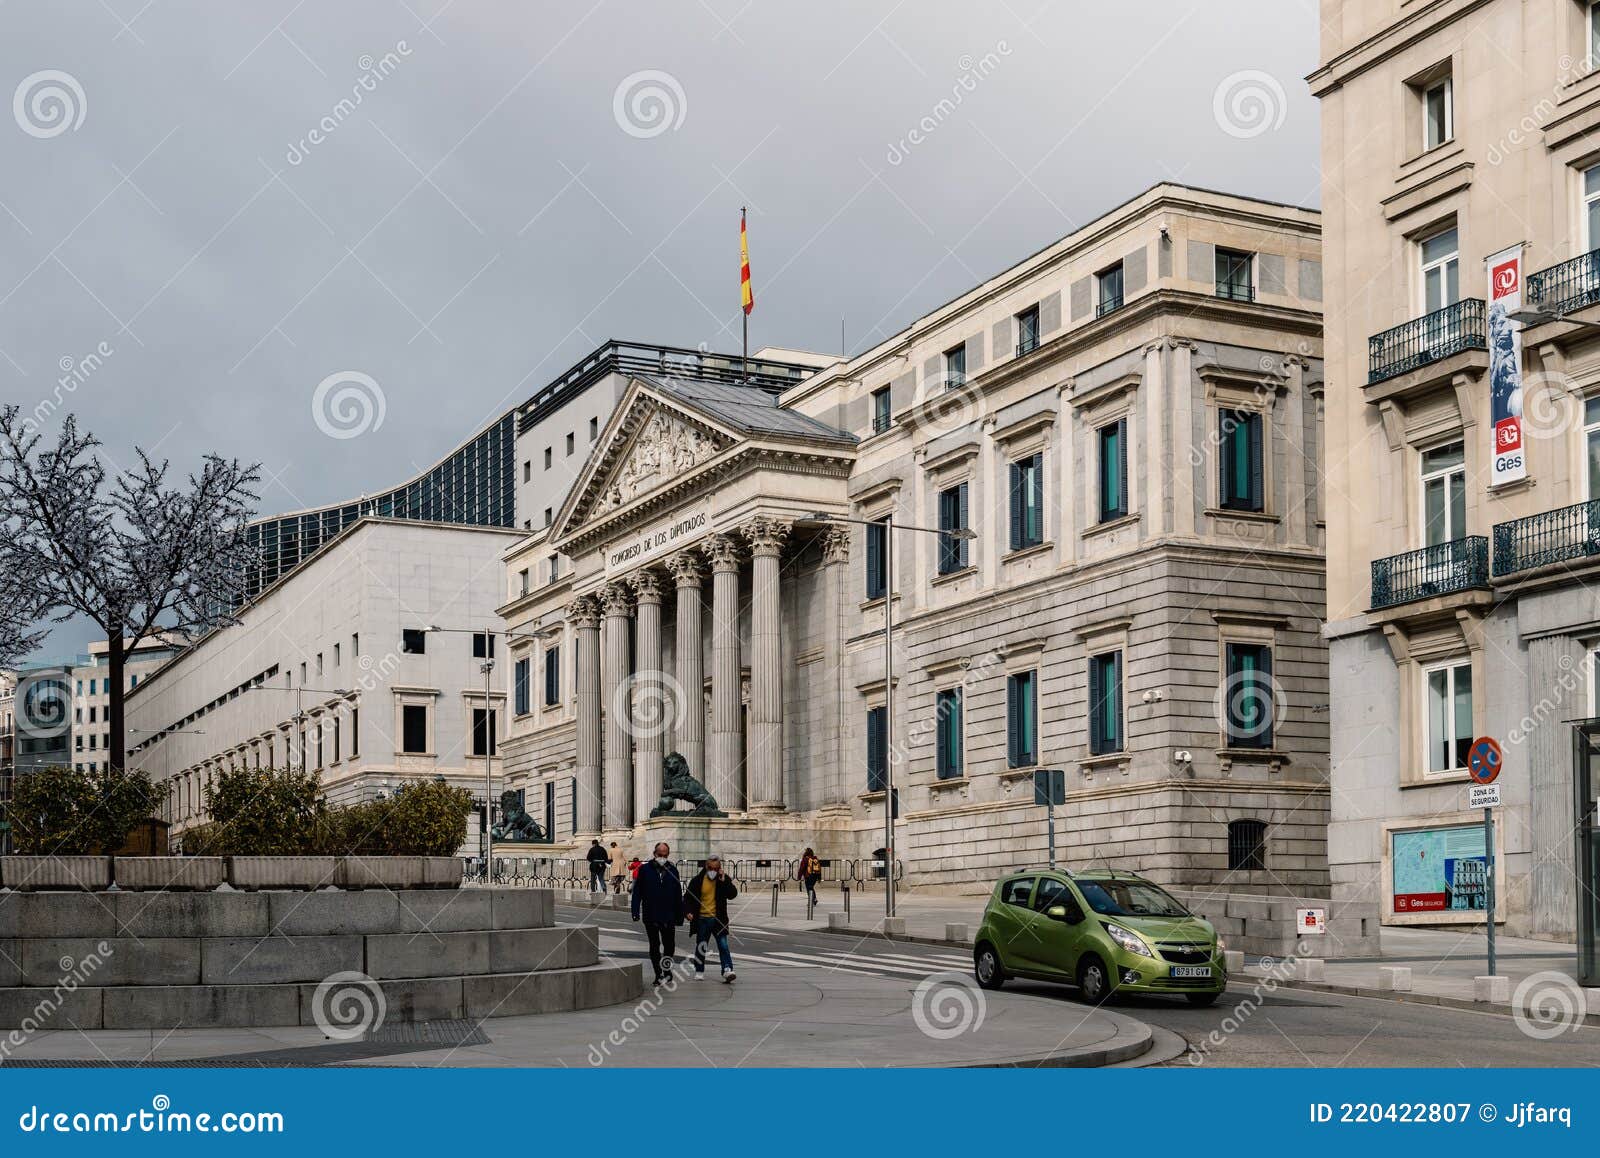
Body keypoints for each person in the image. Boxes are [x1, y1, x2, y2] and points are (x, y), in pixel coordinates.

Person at [630, 842, 682, 984]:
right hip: (651, 913)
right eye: (660, 855)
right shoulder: (645, 869)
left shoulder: (673, 869)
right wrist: (635, 911)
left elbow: (678, 893)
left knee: (669, 945)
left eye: (665, 855)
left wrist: (680, 914)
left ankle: (666, 970)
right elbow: (637, 892)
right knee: (654, 944)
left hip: (668, 914)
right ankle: (658, 974)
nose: (663, 857)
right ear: (655, 854)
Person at [681, 855, 738, 982]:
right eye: (711, 868)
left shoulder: (723, 879)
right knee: (701, 945)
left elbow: (732, 894)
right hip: (702, 919)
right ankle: (699, 970)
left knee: (723, 945)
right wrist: (688, 912)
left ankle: (727, 969)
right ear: (706, 866)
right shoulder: (697, 880)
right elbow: (687, 898)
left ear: (720, 869)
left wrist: (724, 881)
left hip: (718, 919)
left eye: (716, 868)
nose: (713, 871)